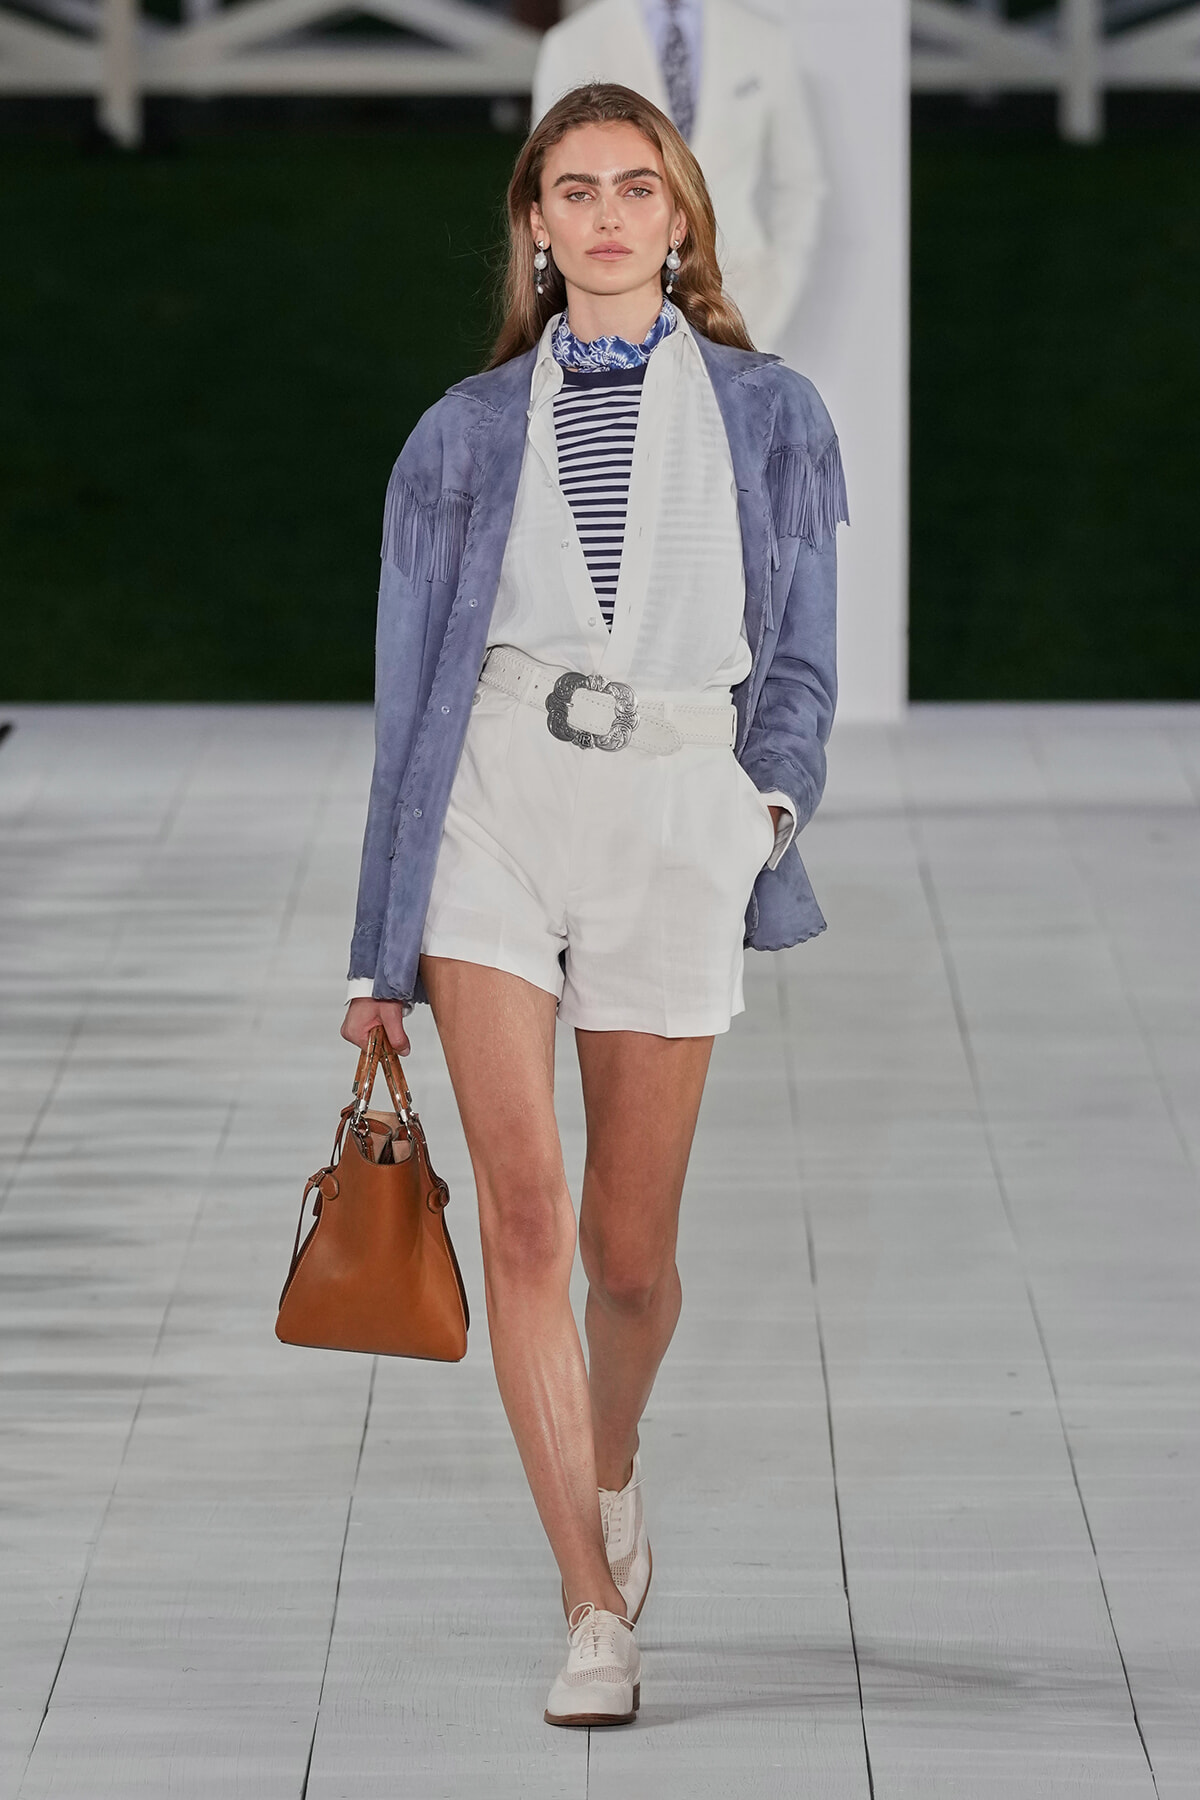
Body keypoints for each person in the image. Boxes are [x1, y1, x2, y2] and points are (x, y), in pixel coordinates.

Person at [342, 80, 845, 1728]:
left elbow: (804, 663)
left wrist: (758, 810)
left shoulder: (775, 417)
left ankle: (610, 1465)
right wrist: (377, 955)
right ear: (536, 228)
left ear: (681, 217)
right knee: (530, 1221)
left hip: (677, 816)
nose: (612, 213)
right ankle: (587, 1606)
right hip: (496, 802)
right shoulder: (460, 435)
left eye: (641, 186)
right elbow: (409, 696)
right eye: (578, 190)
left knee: (634, 1257)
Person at [532, 0, 826, 351]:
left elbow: (799, 181)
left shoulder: (764, 38)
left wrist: (777, 290)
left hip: (746, 304)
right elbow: (551, 181)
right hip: (611, 318)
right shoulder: (572, 43)